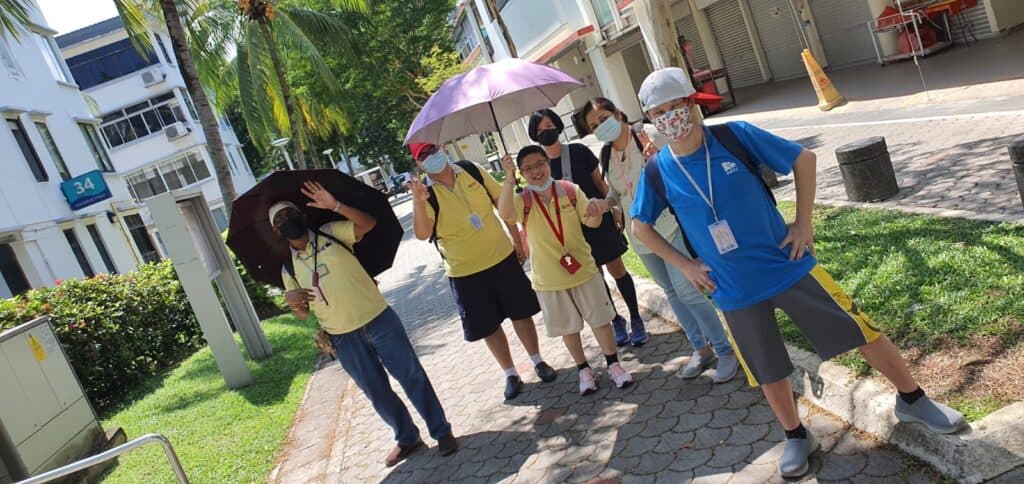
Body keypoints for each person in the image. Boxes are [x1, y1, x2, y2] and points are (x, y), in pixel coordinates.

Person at [629, 68, 967, 478]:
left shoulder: (734, 137)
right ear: (651, 120)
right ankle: (795, 435)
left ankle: (912, 400)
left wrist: (803, 223)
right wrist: (684, 264)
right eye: (659, 113)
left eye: (676, 107)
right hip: (732, 289)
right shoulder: (657, 171)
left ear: (692, 104)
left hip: (787, 265)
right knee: (767, 367)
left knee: (859, 329)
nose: (671, 119)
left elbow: (803, 160)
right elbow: (639, 226)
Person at [275, 181, 457, 467]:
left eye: (291, 214)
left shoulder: (331, 233)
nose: (287, 221)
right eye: (280, 220)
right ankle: (407, 437)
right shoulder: (288, 268)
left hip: (378, 319)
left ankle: (441, 431)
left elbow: (367, 224)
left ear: (304, 216)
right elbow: (301, 313)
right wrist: (292, 299)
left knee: (411, 376)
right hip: (343, 338)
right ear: (276, 231)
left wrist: (334, 205)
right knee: (377, 392)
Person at [576, 97, 739, 383]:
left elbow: (683, 166)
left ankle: (725, 350)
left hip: (670, 227)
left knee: (689, 290)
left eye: (603, 119)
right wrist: (605, 204)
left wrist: (659, 162)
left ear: (617, 113)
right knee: (673, 294)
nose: (600, 127)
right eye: (593, 126)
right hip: (641, 236)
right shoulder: (606, 154)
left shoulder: (647, 135)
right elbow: (618, 194)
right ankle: (700, 349)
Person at [406, 143, 556, 401]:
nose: (432, 157)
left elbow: (503, 204)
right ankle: (510, 373)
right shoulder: (424, 192)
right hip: (465, 271)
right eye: (424, 156)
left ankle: (537, 360)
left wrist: (518, 241)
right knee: (488, 326)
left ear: (442, 148)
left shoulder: (471, 170)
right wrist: (418, 202)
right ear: (418, 164)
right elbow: (422, 233)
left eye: (434, 149)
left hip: (502, 256)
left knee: (521, 312)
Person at [497, 145, 634, 395]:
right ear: (522, 173)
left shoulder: (569, 190)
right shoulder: (523, 199)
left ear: (547, 163)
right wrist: (508, 179)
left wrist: (595, 212)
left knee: (601, 321)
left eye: (540, 163)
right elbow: (505, 213)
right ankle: (583, 369)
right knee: (569, 328)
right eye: (528, 168)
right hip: (549, 279)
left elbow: (589, 221)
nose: (536, 171)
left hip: (584, 269)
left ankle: (614, 364)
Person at [528, 110, 649, 348]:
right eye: (540, 130)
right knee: (596, 276)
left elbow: (600, 183)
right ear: (534, 135)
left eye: (549, 125)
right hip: (571, 233)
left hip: (598, 221)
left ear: (559, 125)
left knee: (617, 270)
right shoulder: (539, 165)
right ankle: (615, 320)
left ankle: (636, 318)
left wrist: (614, 209)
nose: (546, 132)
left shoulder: (579, 152)